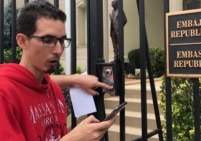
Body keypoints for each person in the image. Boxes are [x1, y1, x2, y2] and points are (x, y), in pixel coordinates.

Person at [0, 0, 116, 141]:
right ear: (22, 41)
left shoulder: (53, 89)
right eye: (48, 40)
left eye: (61, 40)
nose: (58, 50)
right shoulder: (4, 94)